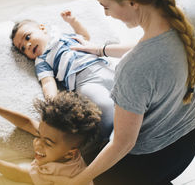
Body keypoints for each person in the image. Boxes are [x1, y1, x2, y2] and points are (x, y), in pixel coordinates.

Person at [42, 0, 195, 185]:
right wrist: (99, 49)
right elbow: (157, 48)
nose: (106, 14)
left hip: (152, 158)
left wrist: (79, 180)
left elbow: (122, 143)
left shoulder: (133, 69)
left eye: (106, 6)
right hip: (193, 136)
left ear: (132, 2)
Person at [10, 10, 118, 142]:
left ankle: (136, 118)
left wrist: (74, 22)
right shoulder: (41, 61)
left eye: (27, 37)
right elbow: (48, 82)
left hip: (103, 67)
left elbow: (84, 37)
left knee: (128, 84)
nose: (27, 45)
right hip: (84, 81)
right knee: (104, 104)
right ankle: (112, 137)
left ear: (42, 29)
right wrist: (53, 101)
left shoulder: (62, 35)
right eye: (22, 48)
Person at [0, 91, 101, 184]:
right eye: (39, 135)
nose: (37, 143)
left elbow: (19, 174)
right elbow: (27, 123)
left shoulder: (57, 173)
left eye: (47, 143)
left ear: (71, 153)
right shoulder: (63, 143)